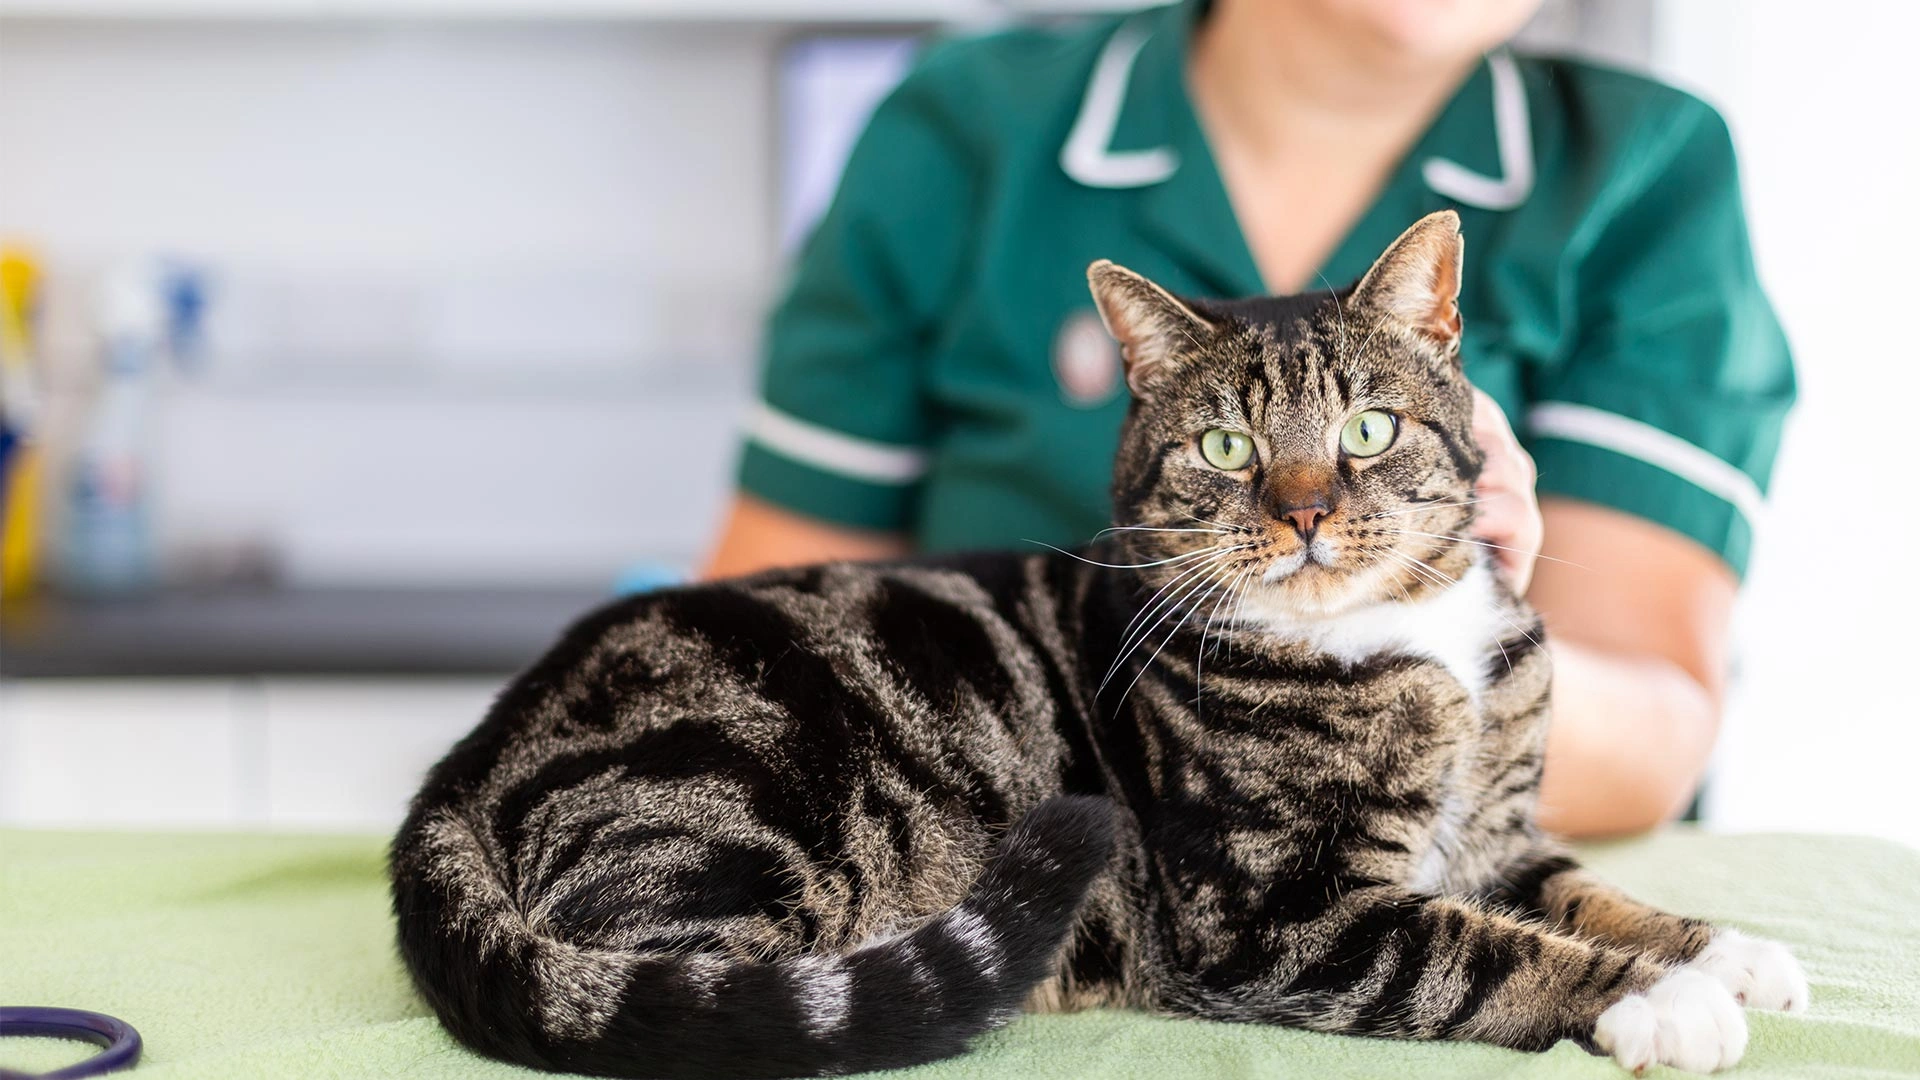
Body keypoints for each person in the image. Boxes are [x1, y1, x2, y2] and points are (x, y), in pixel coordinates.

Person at [702, 0, 1795, 839]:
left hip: (1438, 898)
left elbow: (1654, 732)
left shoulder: (1648, 169)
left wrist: (1464, 611)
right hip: (1004, 855)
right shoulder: (966, 128)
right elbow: (763, 643)